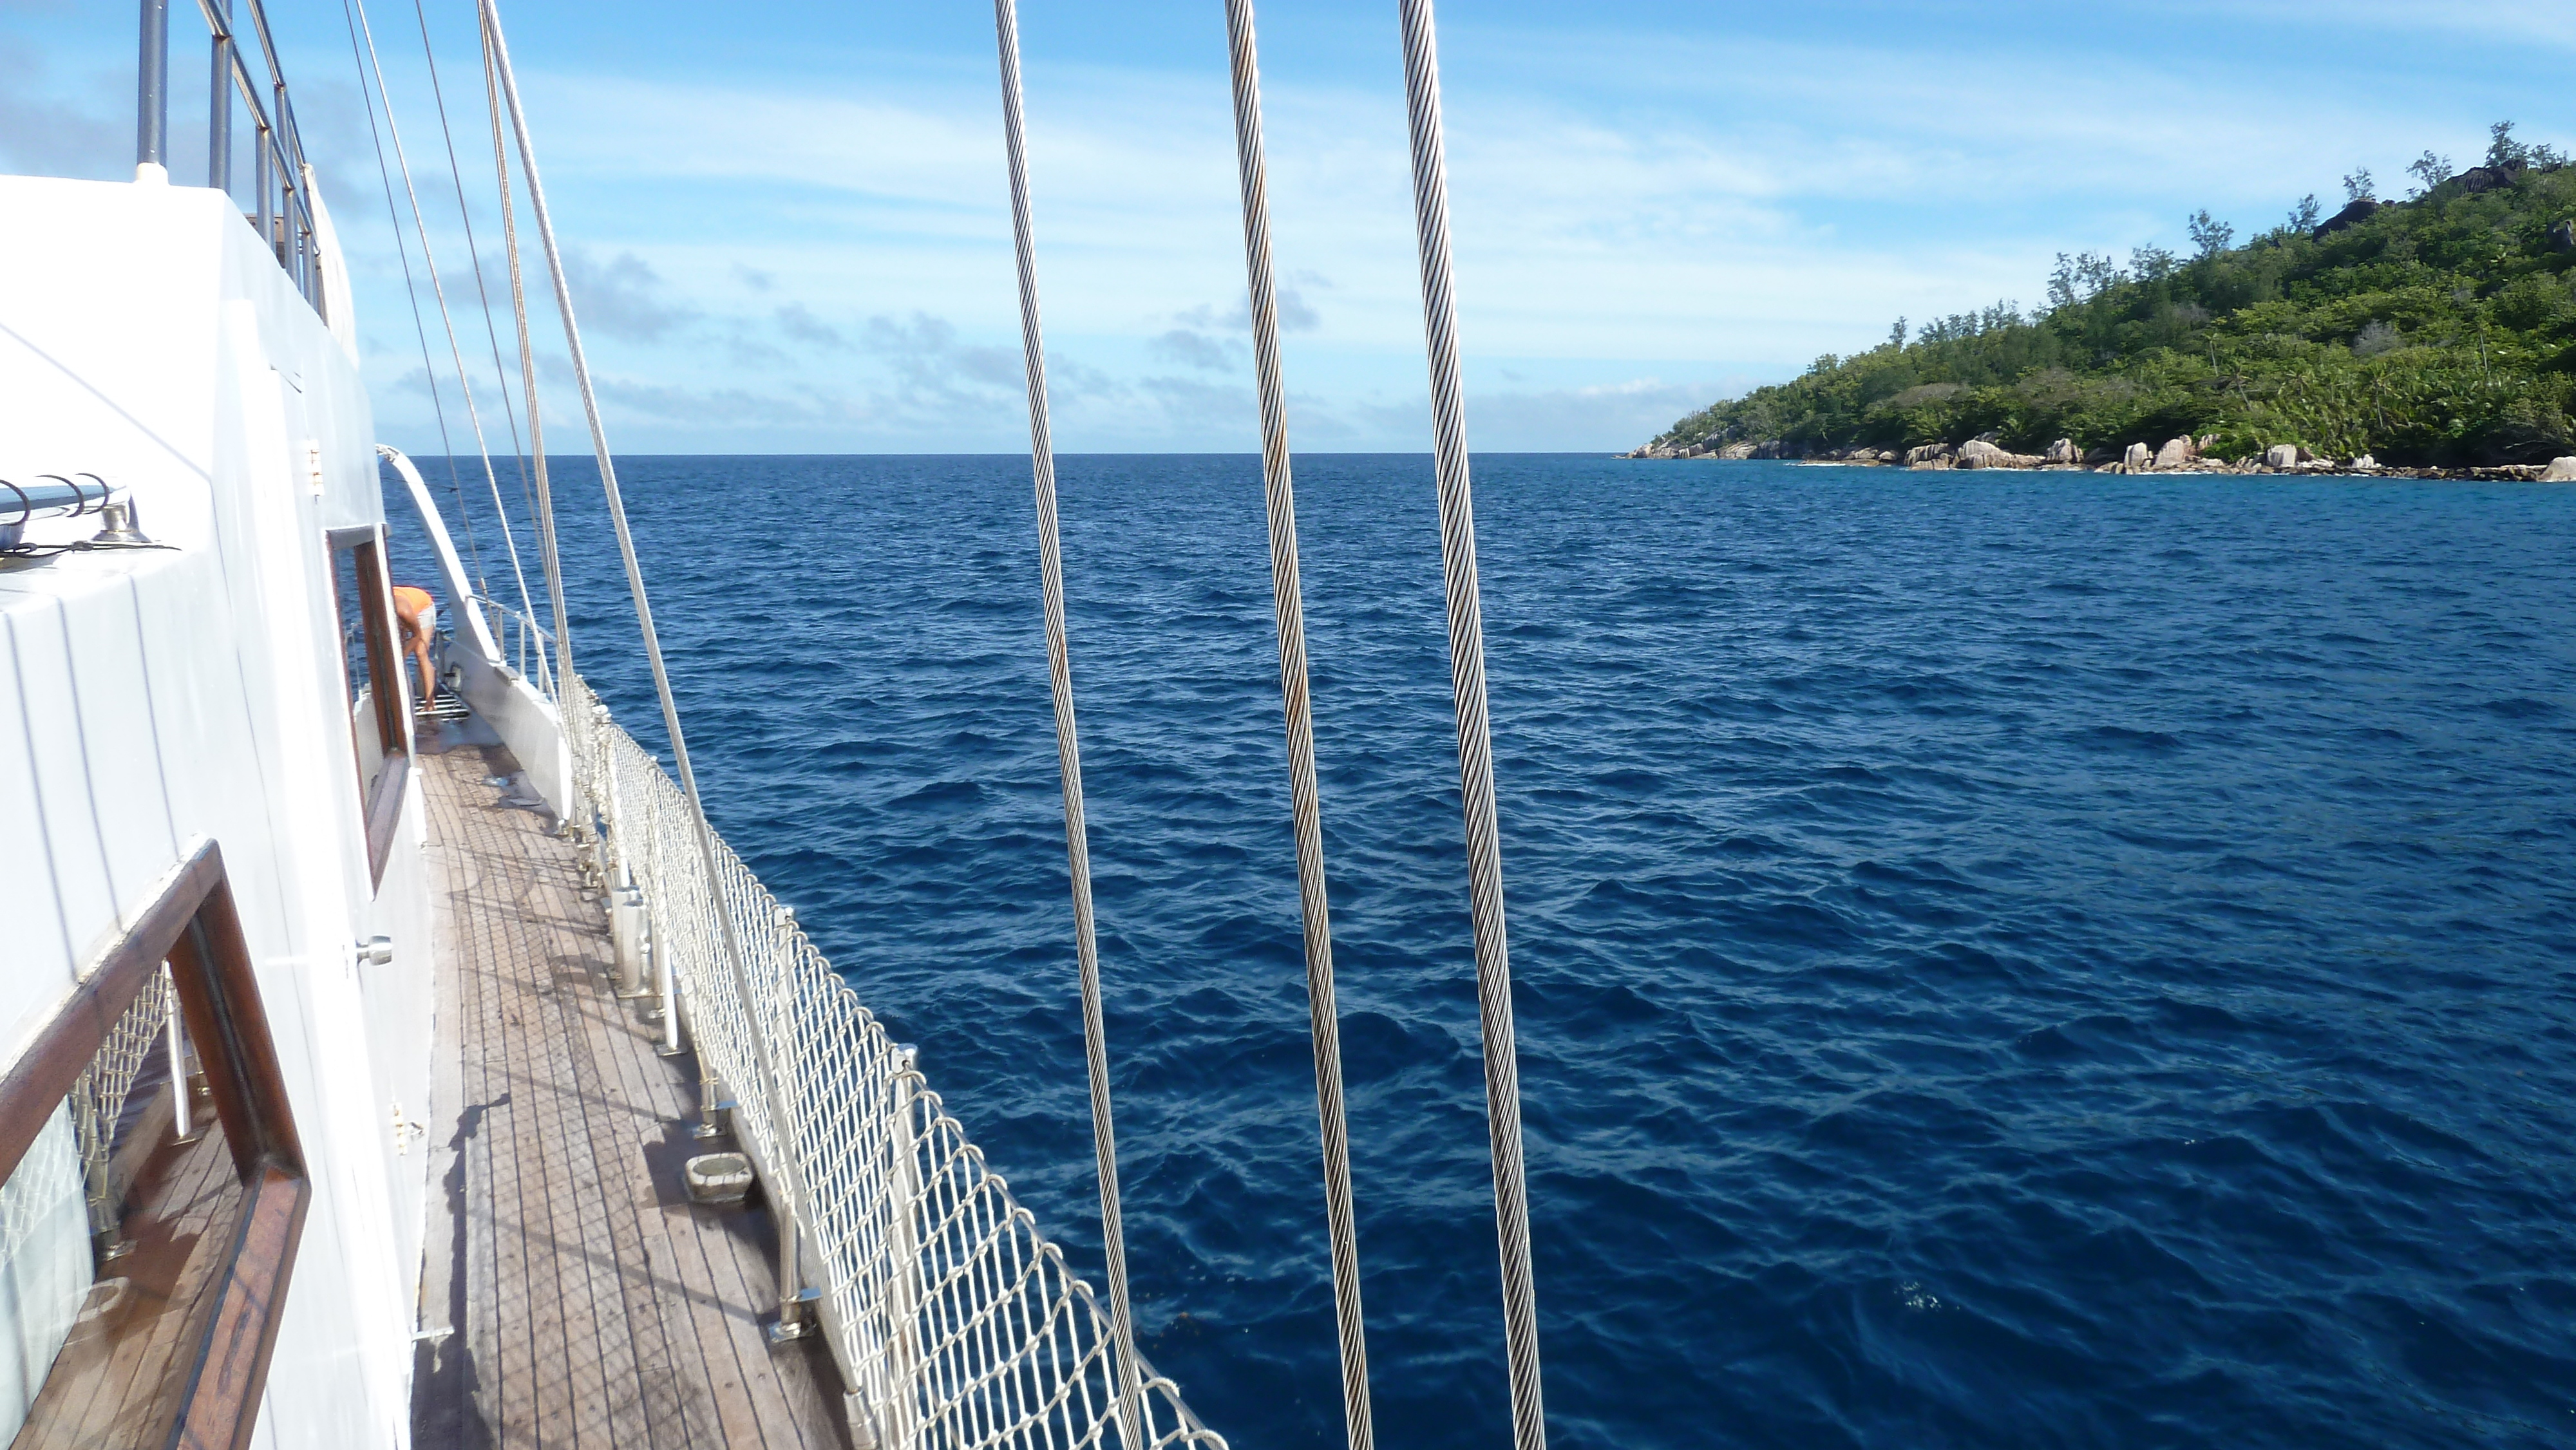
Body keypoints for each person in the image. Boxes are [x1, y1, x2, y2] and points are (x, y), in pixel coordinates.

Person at [391, 585, 439, 713]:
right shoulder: (381, 612)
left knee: (420, 653)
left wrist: (403, 657)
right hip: (403, 600)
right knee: (396, 650)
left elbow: (416, 635)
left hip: (423, 607)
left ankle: (430, 701)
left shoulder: (404, 613)